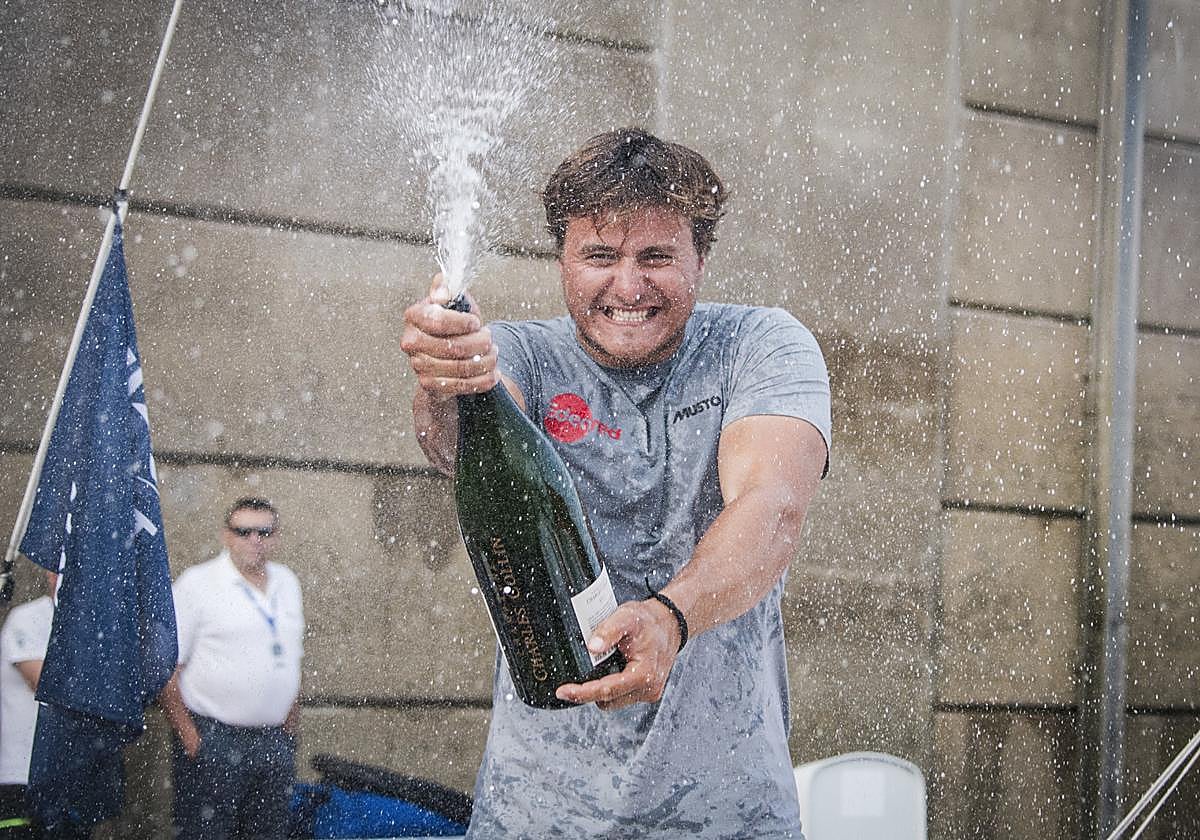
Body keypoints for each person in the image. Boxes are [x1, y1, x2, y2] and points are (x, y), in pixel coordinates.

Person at [400, 127, 832, 839]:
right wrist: (446, 382)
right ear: (564, 260)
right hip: (534, 817)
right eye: (600, 255)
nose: (628, 287)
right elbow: (450, 441)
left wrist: (670, 617)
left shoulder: (762, 345)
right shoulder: (523, 355)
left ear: (701, 258)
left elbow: (772, 508)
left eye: (655, 256)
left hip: (726, 817)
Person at [158, 497, 304, 840]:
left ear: (276, 536)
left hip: (273, 741)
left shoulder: (288, 583)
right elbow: (167, 669)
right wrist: (192, 740)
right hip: (215, 739)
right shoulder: (198, 584)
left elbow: (293, 659)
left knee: (268, 833)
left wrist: (290, 725)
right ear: (227, 536)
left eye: (264, 531)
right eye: (244, 531)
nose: (255, 540)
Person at [0, 570, 57, 838]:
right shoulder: (27, 618)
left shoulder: (96, 627)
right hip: (19, 773)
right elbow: (45, 682)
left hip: (66, 778)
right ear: (49, 574)